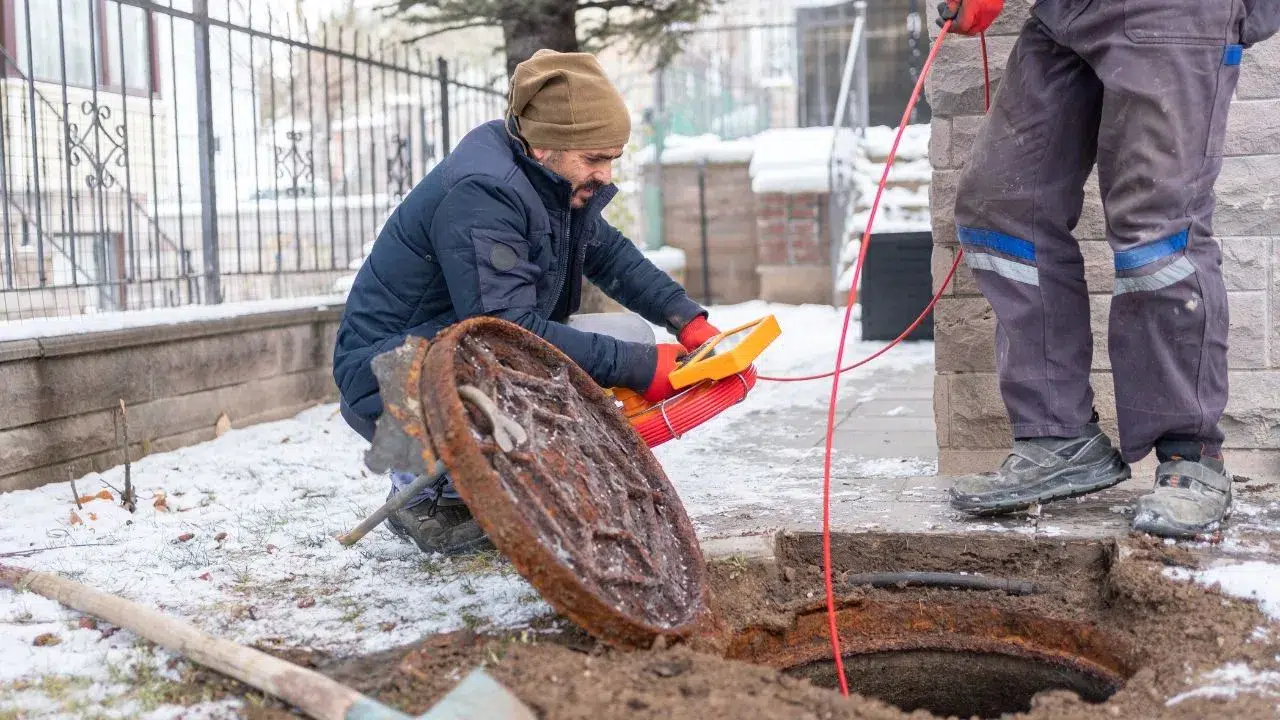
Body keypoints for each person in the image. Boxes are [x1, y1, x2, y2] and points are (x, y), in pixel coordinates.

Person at [332, 49, 720, 556]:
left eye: (611, 158)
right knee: (607, 358)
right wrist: (640, 368)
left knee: (630, 338)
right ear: (545, 145)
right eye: (595, 158)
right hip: (389, 374)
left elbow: (612, 258)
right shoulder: (484, 193)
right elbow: (504, 328)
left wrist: (686, 320)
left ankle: (475, 477)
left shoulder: (552, 184)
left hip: (456, 347)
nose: (605, 174)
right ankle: (427, 494)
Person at [941, 0, 1280, 538]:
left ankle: (1190, 456)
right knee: (1001, 205)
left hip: (1175, 12)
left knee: (1155, 228)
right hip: (1066, 12)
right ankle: (1058, 435)